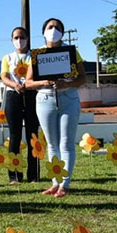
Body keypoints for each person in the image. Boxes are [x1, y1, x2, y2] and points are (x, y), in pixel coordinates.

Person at [24, 18, 87, 198]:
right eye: (50, 27)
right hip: (45, 99)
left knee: (66, 143)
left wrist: (65, 85)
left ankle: (64, 184)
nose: (53, 30)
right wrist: (44, 82)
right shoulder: (37, 55)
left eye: (57, 27)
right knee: (51, 144)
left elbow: (83, 78)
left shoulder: (72, 52)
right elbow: (28, 82)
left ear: (63, 32)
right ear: (43, 31)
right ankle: (55, 182)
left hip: (68, 98)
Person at [0, 26, 40, 183]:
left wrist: (28, 85)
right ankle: (14, 175)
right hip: (13, 96)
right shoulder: (7, 58)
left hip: (31, 95)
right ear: (11, 40)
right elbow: (4, 76)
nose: (19, 40)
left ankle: (34, 175)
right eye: (16, 38)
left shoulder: (34, 57)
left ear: (28, 39)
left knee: (33, 135)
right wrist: (14, 85)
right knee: (15, 136)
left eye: (22, 37)